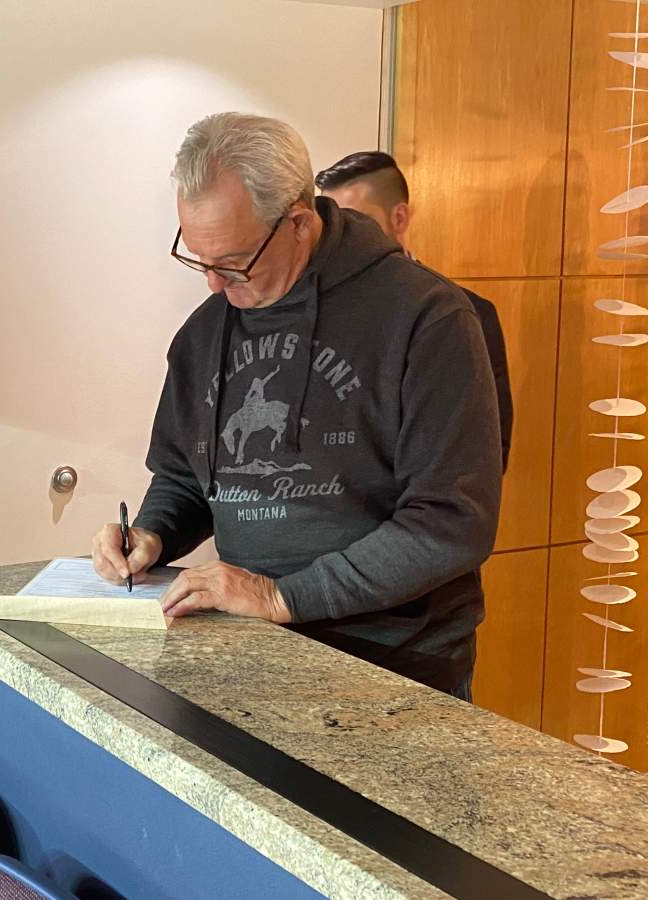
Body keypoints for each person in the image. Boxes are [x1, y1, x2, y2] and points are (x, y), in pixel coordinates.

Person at [91, 113, 502, 699]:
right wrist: (151, 533)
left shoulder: (425, 318)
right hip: (253, 646)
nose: (212, 283)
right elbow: (185, 475)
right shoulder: (204, 333)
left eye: (232, 261)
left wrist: (281, 597)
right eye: (196, 257)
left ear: (299, 222)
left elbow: (450, 523)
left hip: (393, 664)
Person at [315, 150, 513, 469]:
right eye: (333, 225)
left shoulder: (465, 313)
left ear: (400, 218)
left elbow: (488, 452)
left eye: (355, 222)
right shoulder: (317, 313)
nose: (341, 237)